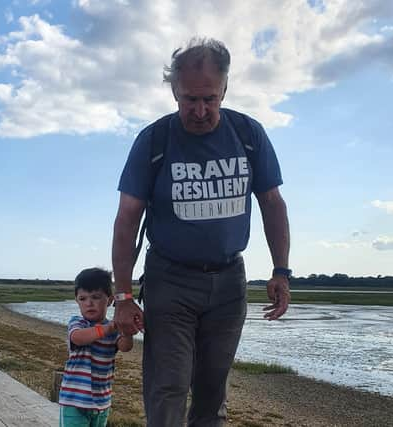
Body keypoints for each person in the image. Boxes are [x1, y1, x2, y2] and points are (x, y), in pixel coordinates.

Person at [112, 37, 291, 426]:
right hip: (170, 280)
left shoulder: (248, 135)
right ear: (174, 92)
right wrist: (123, 296)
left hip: (229, 284)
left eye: (209, 98)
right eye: (189, 99)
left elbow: (272, 203)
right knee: (168, 386)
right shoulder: (154, 141)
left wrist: (281, 271)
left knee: (212, 393)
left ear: (224, 88)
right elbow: (126, 218)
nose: (199, 110)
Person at [58, 267, 134, 427]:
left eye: (96, 297)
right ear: (76, 300)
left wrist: (128, 330)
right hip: (74, 402)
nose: (89, 303)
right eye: (83, 298)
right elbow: (78, 338)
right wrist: (106, 329)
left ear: (110, 299)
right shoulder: (78, 323)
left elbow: (125, 346)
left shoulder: (114, 329)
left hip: (101, 402)